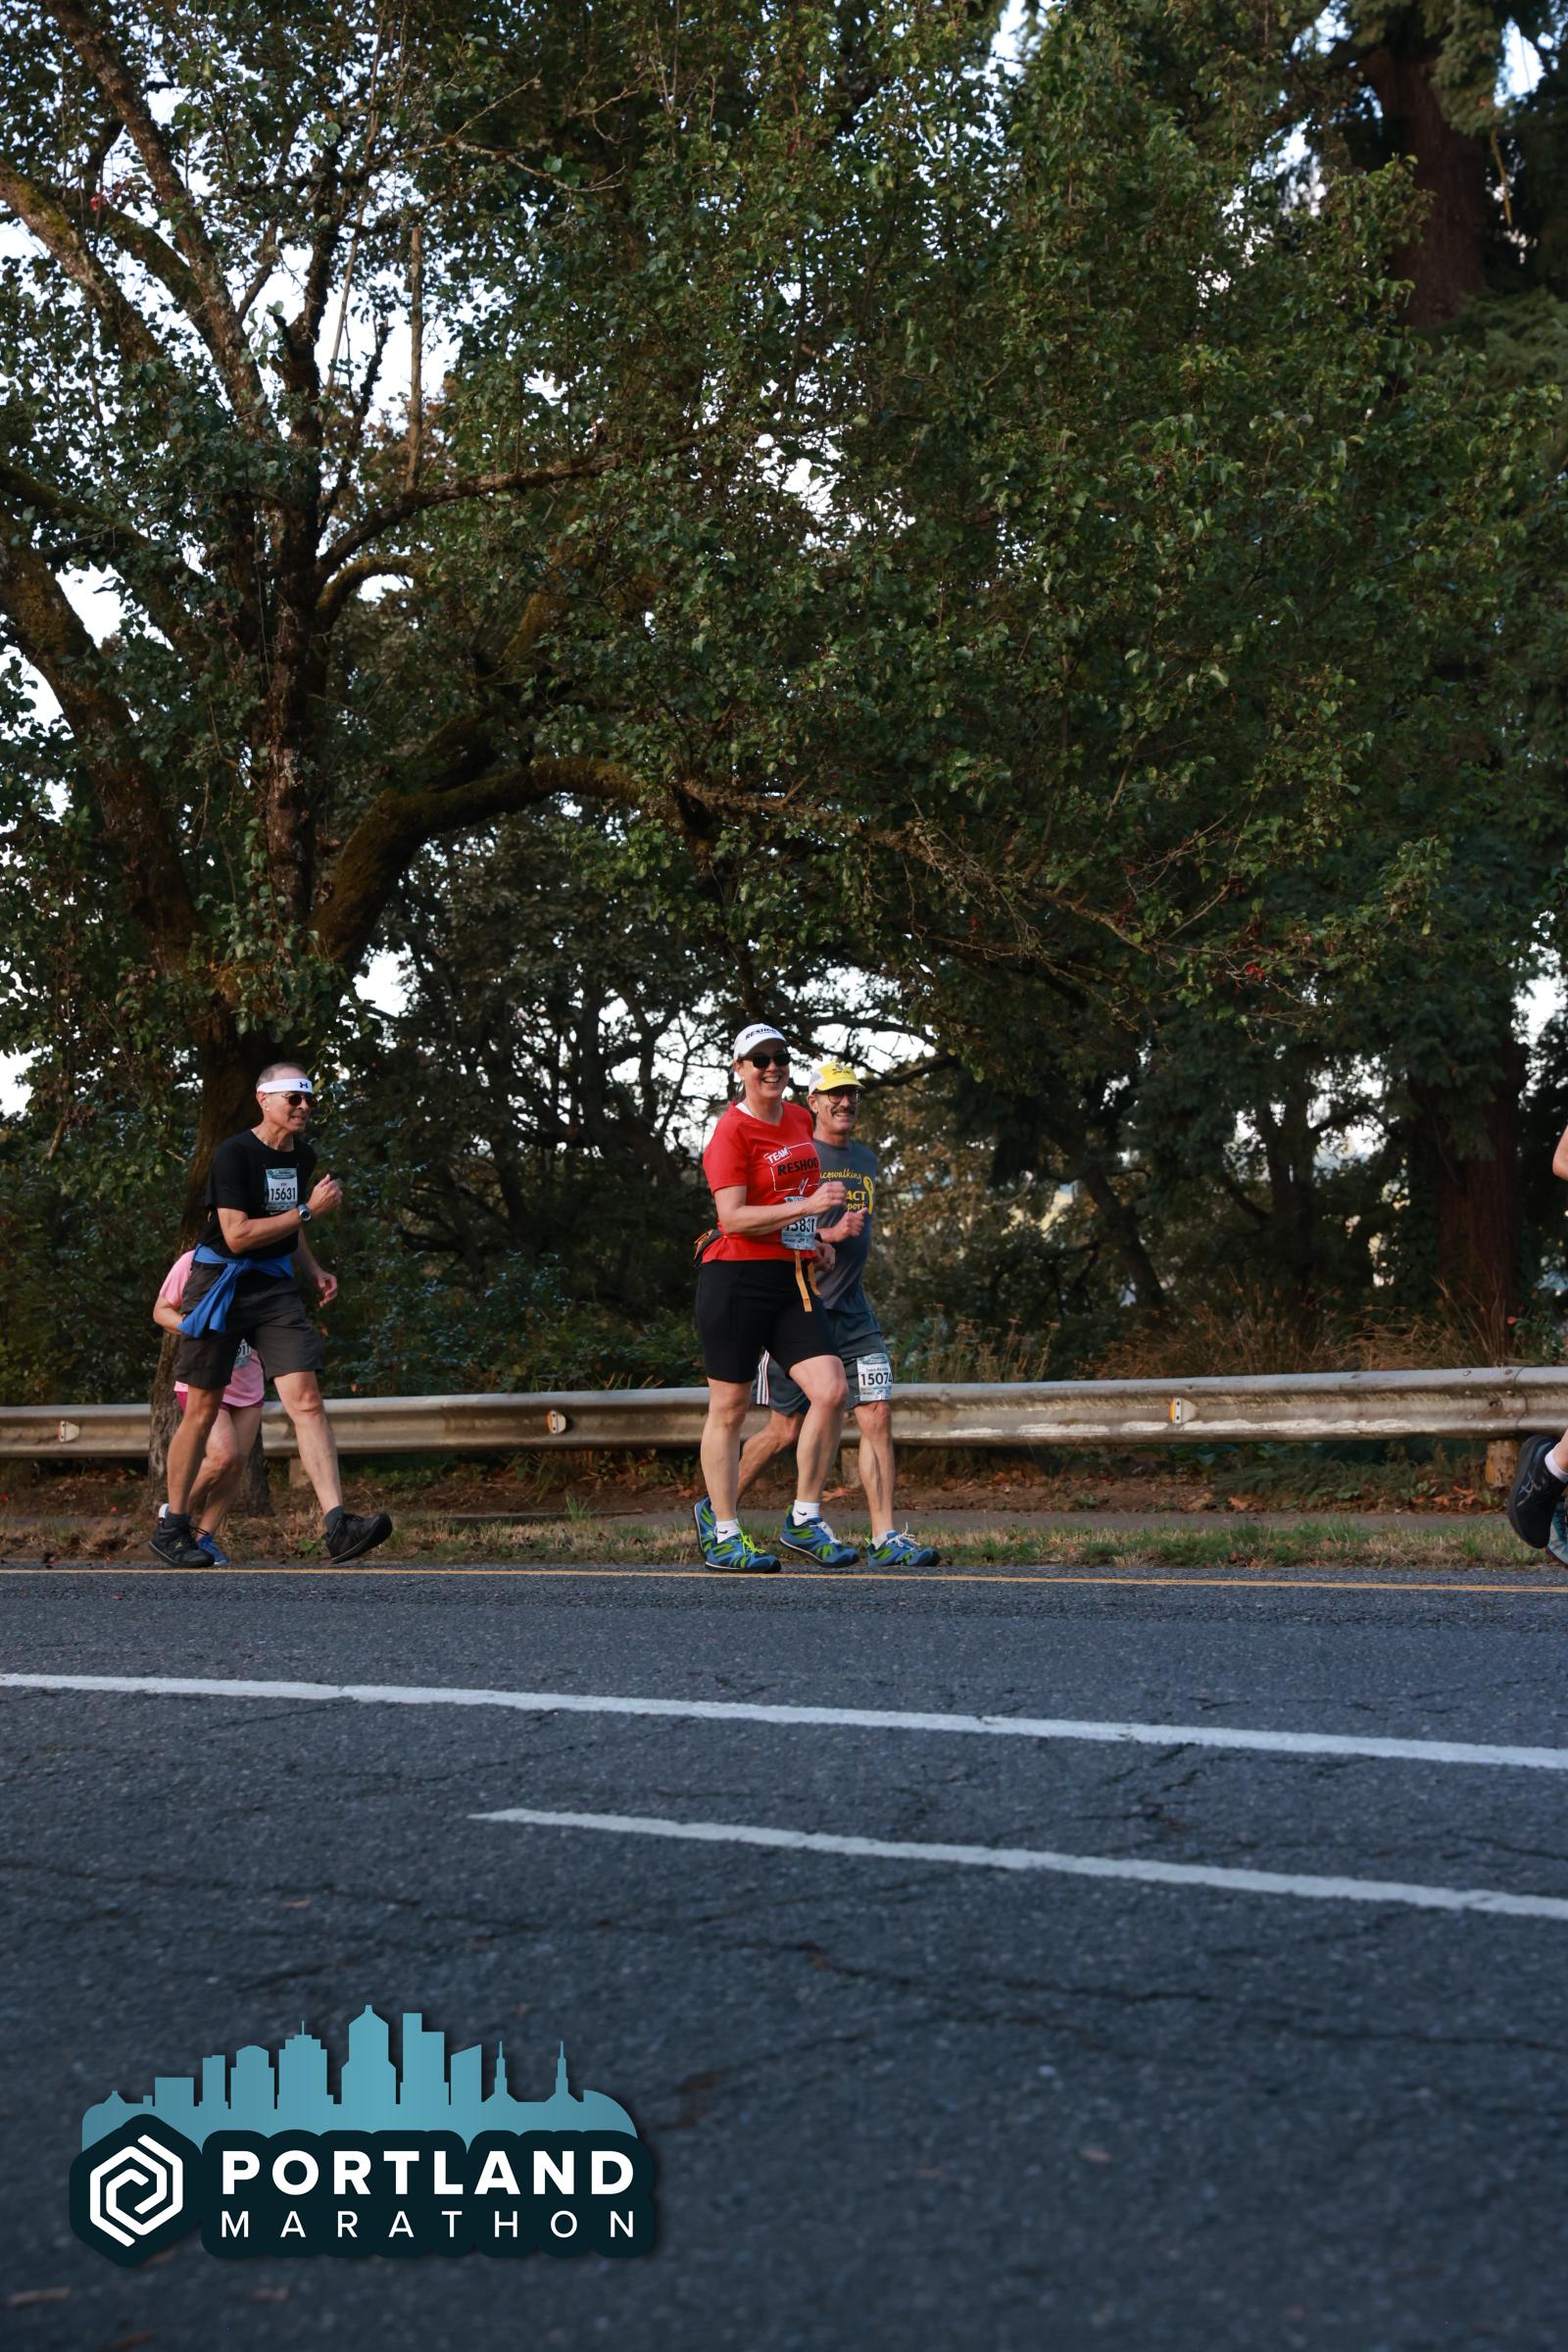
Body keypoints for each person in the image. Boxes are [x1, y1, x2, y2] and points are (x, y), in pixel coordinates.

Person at [150, 1061, 392, 1567]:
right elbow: (237, 1235)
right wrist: (308, 1211)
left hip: (275, 1287)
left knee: (306, 1399)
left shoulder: (302, 1155)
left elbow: (289, 1224)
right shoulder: (234, 1154)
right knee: (202, 1408)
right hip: (221, 1283)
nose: (304, 1107)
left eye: (309, 1099)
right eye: (293, 1098)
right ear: (264, 1100)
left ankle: (338, 1526)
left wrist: (313, 1268)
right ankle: (173, 1528)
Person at [736, 1059, 940, 1567]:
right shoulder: (799, 1157)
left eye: (851, 1094)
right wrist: (829, 1233)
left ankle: (885, 1538)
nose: (845, 1102)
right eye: (834, 1095)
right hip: (801, 1308)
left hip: (854, 1311)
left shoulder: (867, 1159)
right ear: (813, 1103)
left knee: (877, 1413)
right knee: (783, 1429)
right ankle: (717, 1510)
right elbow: (773, 1228)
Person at [691, 1023, 863, 1573]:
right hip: (735, 1280)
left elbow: (792, 1195)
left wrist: (815, 1240)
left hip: (791, 1278)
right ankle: (723, 1532)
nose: (772, 1067)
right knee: (730, 1408)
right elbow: (733, 1218)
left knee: (831, 1390)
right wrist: (810, 1209)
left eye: (780, 1057)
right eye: (759, 1059)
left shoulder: (795, 1118)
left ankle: (804, 1519)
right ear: (739, 1069)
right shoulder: (730, 1133)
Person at [152, 1248, 266, 1565]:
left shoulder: (264, 1261)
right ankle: (173, 1519)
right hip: (203, 1378)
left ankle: (204, 1539)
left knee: (235, 1464)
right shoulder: (193, 1260)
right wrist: (193, 1325)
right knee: (222, 1456)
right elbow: (161, 1310)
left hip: (248, 1383)